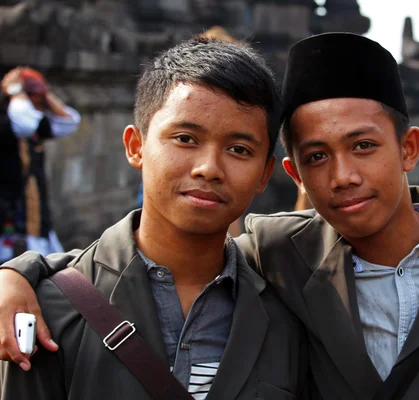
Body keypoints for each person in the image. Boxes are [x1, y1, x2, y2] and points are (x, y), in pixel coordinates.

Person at [0, 33, 419, 399]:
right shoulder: (282, 259)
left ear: (408, 148)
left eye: (364, 146)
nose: (343, 176)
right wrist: (19, 274)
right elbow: (104, 267)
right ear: (292, 173)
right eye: (317, 156)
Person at [0, 37, 312, 399]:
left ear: (264, 174)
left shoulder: (289, 316)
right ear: (136, 146)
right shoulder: (46, 311)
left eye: (239, 149)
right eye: (184, 138)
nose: (208, 168)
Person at [0, 67, 80, 263]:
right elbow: (24, 124)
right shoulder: (9, 123)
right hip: (8, 212)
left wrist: (46, 94)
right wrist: (16, 93)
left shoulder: (35, 122)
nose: (39, 102)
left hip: (34, 212)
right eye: (34, 96)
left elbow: (69, 121)